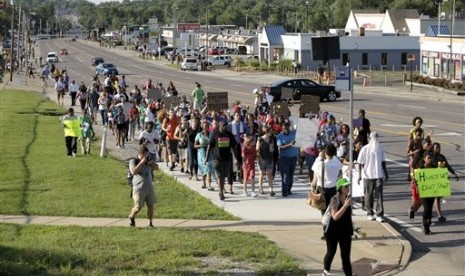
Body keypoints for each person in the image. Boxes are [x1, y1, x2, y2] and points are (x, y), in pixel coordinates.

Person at [322, 178, 353, 276]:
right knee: (331, 252)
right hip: (332, 231)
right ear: (340, 188)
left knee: (346, 256)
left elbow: (348, 216)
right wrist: (345, 206)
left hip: (345, 231)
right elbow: (335, 217)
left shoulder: (348, 198)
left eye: (348, 186)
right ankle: (326, 271)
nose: (348, 188)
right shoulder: (335, 199)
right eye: (346, 186)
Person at [358, 131, 388, 222]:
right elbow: (360, 162)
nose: (375, 139)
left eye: (376, 137)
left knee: (379, 196)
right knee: (368, 195)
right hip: (368, 175)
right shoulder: (365, 148)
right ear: (370, 138)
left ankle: (379, 214)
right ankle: (369, 213)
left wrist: (386, 173)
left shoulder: (381, 148)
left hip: (378, 175)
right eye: (374, 137)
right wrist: (360, 175)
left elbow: (383, 161)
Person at [205, 121, 238, 200]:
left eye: (226, 125)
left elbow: (233, 147)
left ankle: (221, 190)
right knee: (220, 176)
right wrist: (206, 158)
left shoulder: (229, 135)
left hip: (227, 158)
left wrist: (236, 158)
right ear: (219, 126)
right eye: (223, 125)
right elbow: (209, 147)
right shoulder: (214, 134)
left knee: (225, 175)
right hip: (217, 159)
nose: (225, 127)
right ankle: (221, 192)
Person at [128, 146, 159, 228]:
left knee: (151, 206)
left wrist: (151, 163)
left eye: (147, 155)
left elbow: (157, 168)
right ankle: (131, 216)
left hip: (149, 187)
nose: (146, 157)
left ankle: (150, 223)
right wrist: (141, 162)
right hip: (139, 188)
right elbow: (133, 172)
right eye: (144, 155)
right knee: (138, 207)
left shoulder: (148, 160)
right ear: (140, 154)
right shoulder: (134, 161)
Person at [431, 142, 459, 222]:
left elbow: (447, 165)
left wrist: (454, 173)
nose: (438, 149)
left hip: (440, 180)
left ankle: (439, 215)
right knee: (429, 199)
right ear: (433, 148)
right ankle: (414, 210)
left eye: (439, 147)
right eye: (436, 148)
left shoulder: (441, 157)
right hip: (431, 181)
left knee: (437, 197)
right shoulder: (430, 157)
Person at [276, 121, 298, 197]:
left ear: (289, 127)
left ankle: (288, 189)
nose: (286, 130)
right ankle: (284, 191)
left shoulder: (294, 133)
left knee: (291, 175)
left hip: (294, 157)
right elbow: (281, 147)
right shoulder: (279, 136)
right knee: (285, 175)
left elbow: (302, 129)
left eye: (287, 128)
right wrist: (290, 144)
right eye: (284, 129)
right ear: (282, 129)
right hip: (284, 158)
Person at [195, 120, 214, 189]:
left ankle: (209, 185)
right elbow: (195, 145)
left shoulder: (211, 134)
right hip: (201, 154)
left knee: (208, 169)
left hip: (209, 154)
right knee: (203, 169)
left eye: (207, 126)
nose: (206, 127)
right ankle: (204, 182)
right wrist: (200, 145)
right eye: (205, 126)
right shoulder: (199, 135)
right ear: (202, 127)